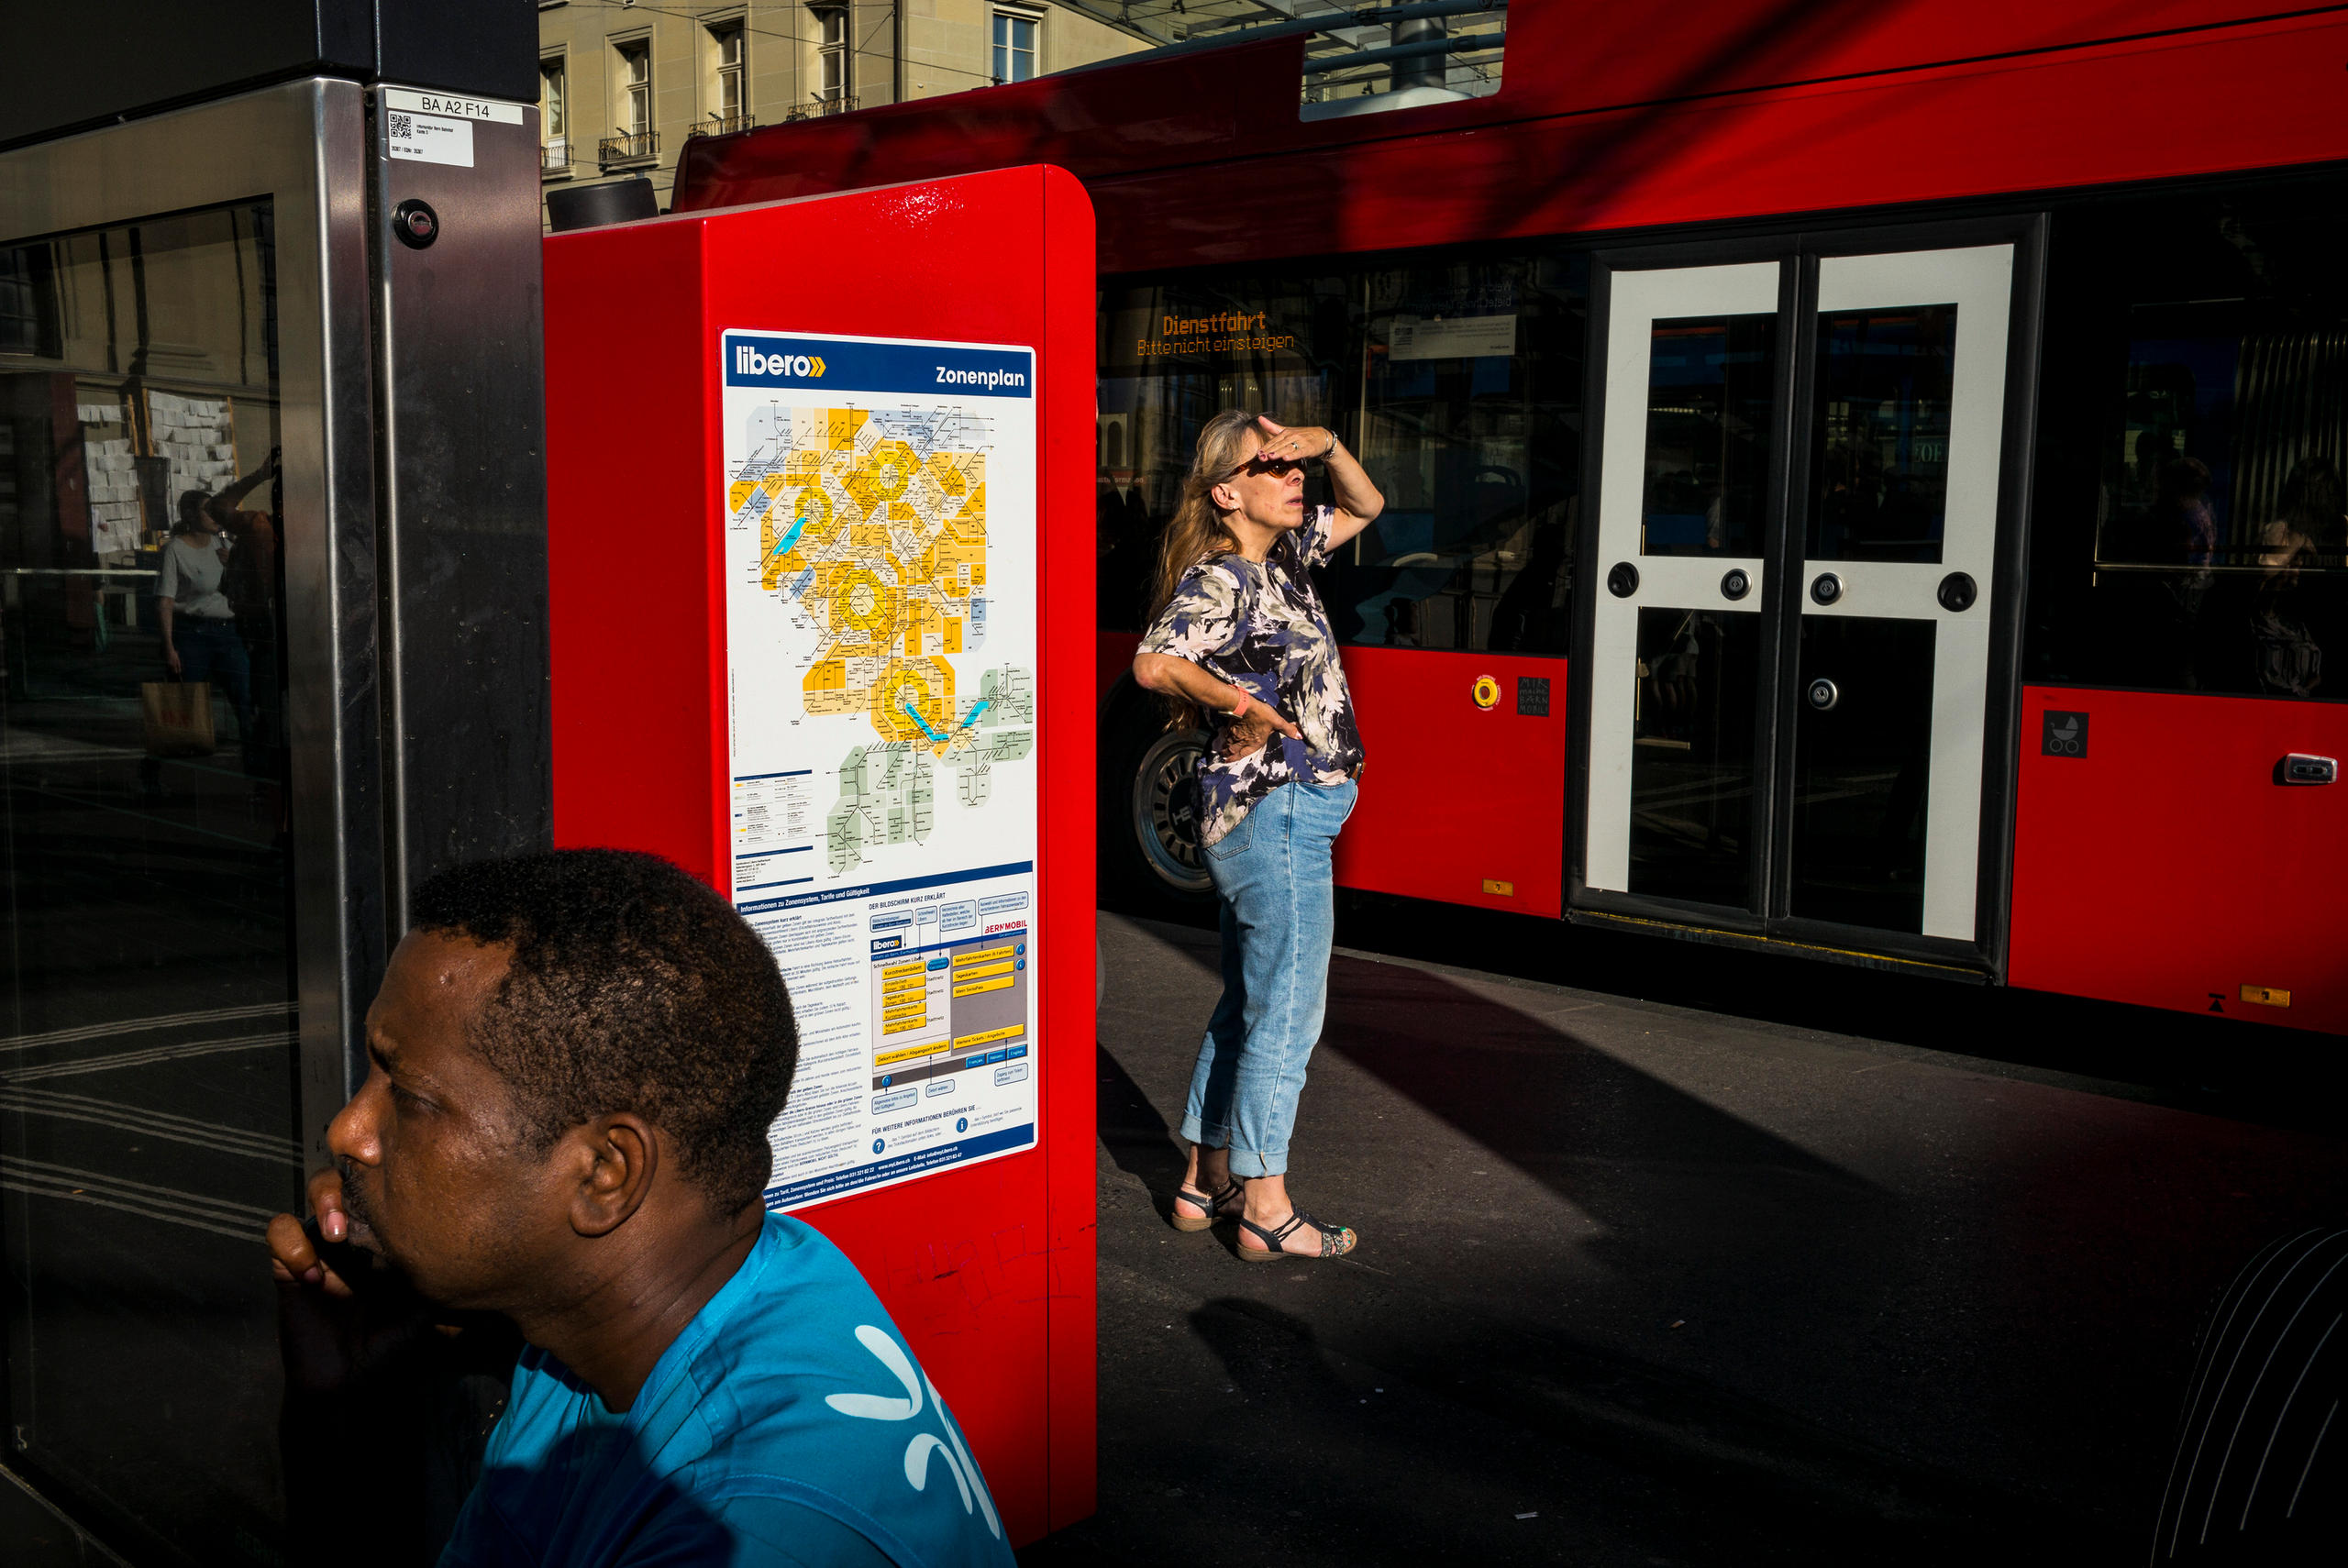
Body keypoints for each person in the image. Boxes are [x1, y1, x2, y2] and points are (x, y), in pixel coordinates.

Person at [266, 849, 1014, 1568]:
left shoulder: (756, 1529)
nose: (348, 1132)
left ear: (604, 1174)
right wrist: (336, 1403)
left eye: (411, 1097)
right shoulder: (723, 1290)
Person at [1131, 411, 1384, 1263]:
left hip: (1271, 817)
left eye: (1292, 465)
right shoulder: (1225, 580)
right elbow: (1154, 663)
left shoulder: (1283, 561)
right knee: (1289, 1013)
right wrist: (1242, 705)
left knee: (1249, 1006)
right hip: (1274, 814)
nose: (1292, 476)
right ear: (1226, 493)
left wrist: (1326, 444)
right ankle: (1266, 1205)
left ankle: (1204, 1184)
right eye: (1269, 467)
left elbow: (1369, 504)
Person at [157, 468, 261, 747]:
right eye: (207, 510)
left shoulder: (225, 544)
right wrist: (169, 647)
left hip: (228, 633)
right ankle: (157, 770)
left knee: (245, 701)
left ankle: (257, 771)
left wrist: (234, 565)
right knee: (181, 706)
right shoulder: (175, 550)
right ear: (190, 516)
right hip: (193, 635)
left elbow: (246, 589)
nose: (215, 515)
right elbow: (165, 601)